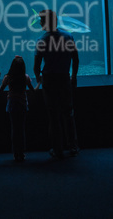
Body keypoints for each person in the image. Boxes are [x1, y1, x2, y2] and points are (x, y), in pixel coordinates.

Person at [34, 10, 79, 159]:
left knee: (53, 116)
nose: (40, 23)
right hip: (64, 78)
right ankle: (73, 146)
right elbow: (75, 58)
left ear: (46, 22)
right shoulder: (68, 36)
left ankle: (57, 149)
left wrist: (38, 78)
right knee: (68, 112)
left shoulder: (42, 40)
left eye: (41, 20)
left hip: (49, 80)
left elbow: (36, 65)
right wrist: (74, 76)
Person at [0, 55, 38, 162]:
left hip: (12, 104)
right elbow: (33, 90)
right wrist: (40, 82)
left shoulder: (7, 77)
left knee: (14, 129)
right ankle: (22, 153)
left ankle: (15, 153)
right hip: (22, 104)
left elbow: (0, 90)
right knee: (21, 128)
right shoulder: (26, 77)